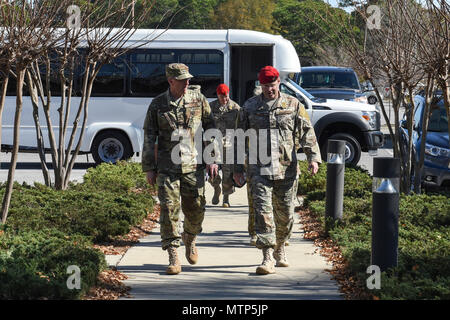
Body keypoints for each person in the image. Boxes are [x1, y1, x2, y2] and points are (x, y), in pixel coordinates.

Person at [233, 66, 321, 275]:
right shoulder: (250, 106)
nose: (269, 89)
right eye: (265, 86)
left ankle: (280, 246)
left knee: (285, 215)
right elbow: (237, 138)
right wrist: (236, 169)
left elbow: (306, 132)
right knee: (263, 213)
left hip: (286, 169)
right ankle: (266, 257)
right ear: (260, 85)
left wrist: (313, 158)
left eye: (272, 85)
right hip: (258, 169)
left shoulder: (292, 104)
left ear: (278, 83)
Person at [142, 63, 218, 275]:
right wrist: (149, 167)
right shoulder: (158, 104)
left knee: (196, 209)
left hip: (193, 166)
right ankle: (173, 254)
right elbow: (149, 136)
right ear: (170, 81)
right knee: (168, 209)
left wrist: (212, 158)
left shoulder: (198, 99)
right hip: (167, 167)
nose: (187, 83)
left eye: (188, 79)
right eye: (183, 80)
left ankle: (190, 237)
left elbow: (211, 127)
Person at [208, 84, 240, 208]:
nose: (224, 99)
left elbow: (241, 125)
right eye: (222, 97)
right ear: (217, 95)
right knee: (211, 169)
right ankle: (216, 187)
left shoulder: (235, 108)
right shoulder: (211, 107)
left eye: (226, 97)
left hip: (229, 142)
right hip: (213, 141)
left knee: (228, 171)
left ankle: (226, 197)